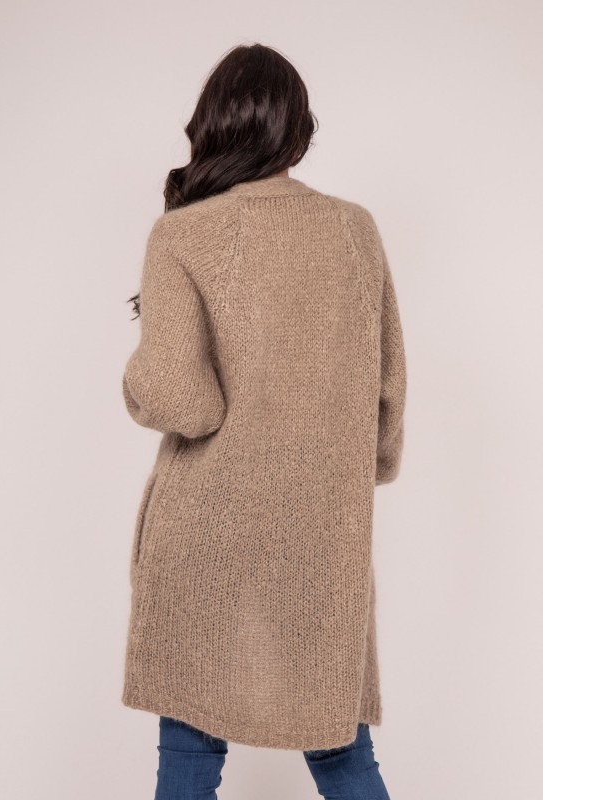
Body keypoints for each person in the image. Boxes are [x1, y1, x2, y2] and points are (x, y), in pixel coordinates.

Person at [121, 42, 406, 800]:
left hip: (208, 532)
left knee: (188, 753)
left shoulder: (182, 234)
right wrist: (348, 469)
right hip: (322, 535)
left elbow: (185, 402)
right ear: (297, 129)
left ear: (211, 125)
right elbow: (387, 394)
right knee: (342, 751)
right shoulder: (354, 230)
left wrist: (135, 376)